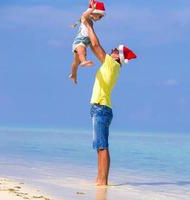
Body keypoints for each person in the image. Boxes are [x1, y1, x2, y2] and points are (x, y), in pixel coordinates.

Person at [81, 16, 137, 186]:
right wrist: (86, 29)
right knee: (99, 146)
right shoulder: (110, 65)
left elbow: (96, 46)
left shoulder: (112, 64)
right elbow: (93, 45)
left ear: (118, 57)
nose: (111, 50)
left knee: (102, 146)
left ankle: (103, 182)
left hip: (101, 108)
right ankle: (100, 180)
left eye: (114, 50)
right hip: (100, 108)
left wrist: (89, 24)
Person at [69, 0, 106, 84]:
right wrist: (92, 8)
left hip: (86, 42)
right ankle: (84, 61)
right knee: (82, 51)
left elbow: (80, 19)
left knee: (76, 61)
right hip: (80, 40)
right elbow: (84, 15)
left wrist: (75, 23)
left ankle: (73, 74)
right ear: (94, 13)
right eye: (100, 16)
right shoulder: (86, 17)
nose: (100, 18)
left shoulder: (89, 21)